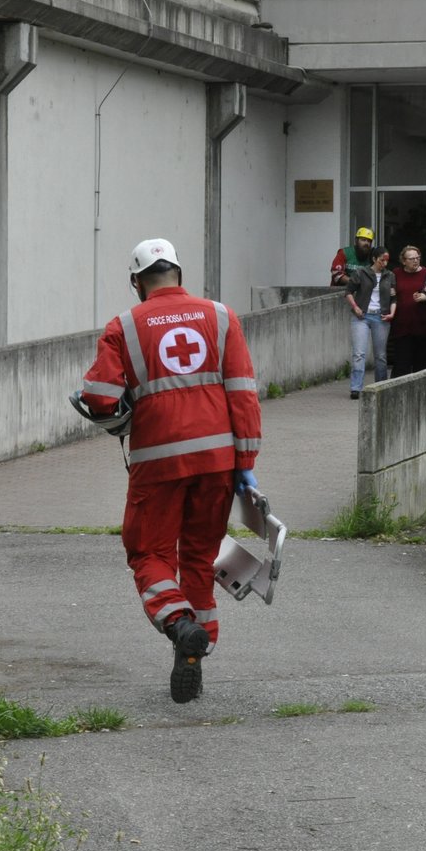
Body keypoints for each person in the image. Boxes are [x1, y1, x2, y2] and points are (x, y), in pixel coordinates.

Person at [78, 239, 262, 704]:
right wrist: (246, 464)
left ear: (138, 282)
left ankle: (180, 625)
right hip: (218, 461)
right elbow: (242, 393)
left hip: (157, 461)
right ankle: (198, 648)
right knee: (200, 556)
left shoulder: (123, 326)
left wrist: (122, 418)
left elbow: (99, 395)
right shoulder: (221, 317)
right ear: (178, 273)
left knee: (148, 552)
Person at [344, 246, 396, 399]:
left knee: (380, 355)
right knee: (359, 353)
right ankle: (356, 388)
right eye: (381, 260)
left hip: (381, 316)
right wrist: (355, 307)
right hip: (362, 316)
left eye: (386, 261)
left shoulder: (390, 275)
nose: (384, 264)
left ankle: (380, 386)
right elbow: (348, 292)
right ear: (374, 259)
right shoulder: (361, 272)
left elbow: (394, 297)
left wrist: (392, 313)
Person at [389, 245, 426, 376]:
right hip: (402, 326)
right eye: (412, 258)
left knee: (422, 365)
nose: (415, 261)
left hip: (422, 326)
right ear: (404, 261)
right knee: (401, 365)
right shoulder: (396, 273)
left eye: (417, 258)